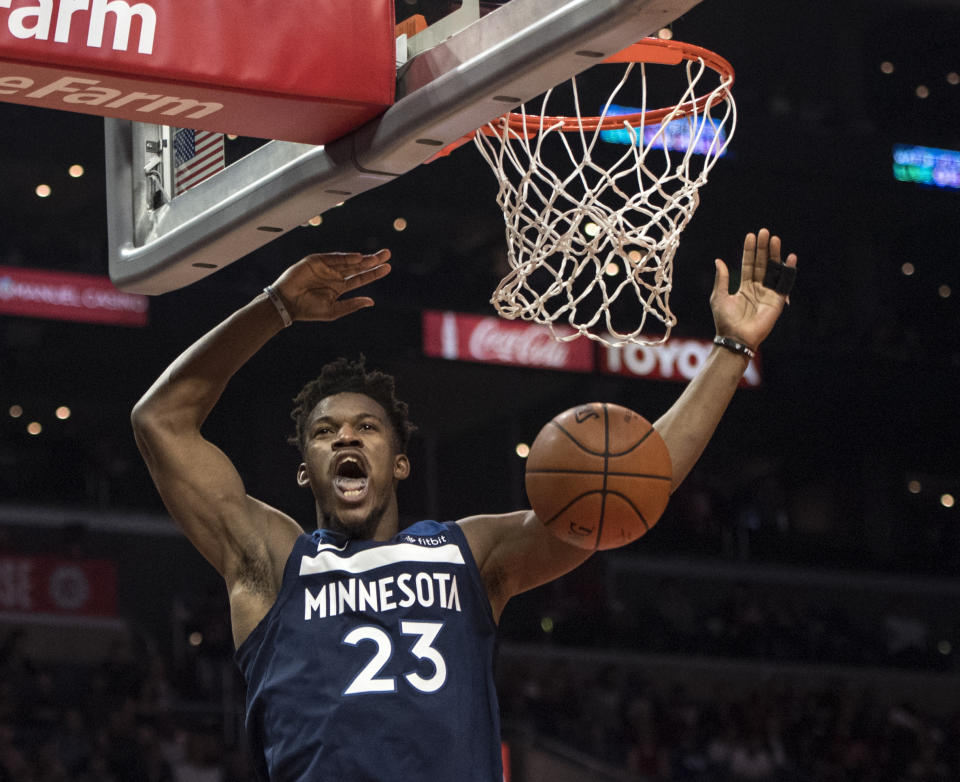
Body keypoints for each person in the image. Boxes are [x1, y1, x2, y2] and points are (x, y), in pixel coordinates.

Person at [131, 229, 797, 781]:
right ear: (305, 470)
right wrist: (275, 307)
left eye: (365, 427)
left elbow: (635, 482)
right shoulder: (274, 563)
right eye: (325, 433)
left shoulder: (466, 554)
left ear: (398, 462)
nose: (345, 439)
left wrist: (732, 351)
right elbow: (161, 420)